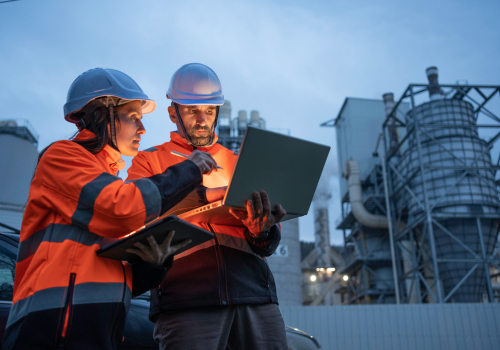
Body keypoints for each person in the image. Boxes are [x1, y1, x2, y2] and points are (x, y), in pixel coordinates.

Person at [2, 68, 218, 350]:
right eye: (133, 118)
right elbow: (122, 208)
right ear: (103, 115)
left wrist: (154, 262)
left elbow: (117, 277)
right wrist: (189, 169)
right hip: (49, 329)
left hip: (99, 331)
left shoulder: (109, 180)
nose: (142, 129)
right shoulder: (62, 158)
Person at [126, 63, 289, 350]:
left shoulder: (238, 162)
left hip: (254, 295)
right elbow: (135, 213)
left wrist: (261, 230)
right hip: (187, 299)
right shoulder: (149, 162)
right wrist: (210, 194)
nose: (202, 119)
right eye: (191, 110)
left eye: (209, 110)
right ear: (172, 113)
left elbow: (265, 245)